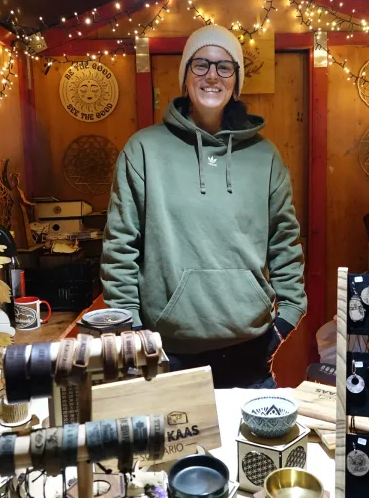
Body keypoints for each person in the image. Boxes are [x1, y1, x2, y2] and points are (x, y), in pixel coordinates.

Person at [101, 25, 307, 388]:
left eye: (224, 67)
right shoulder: (143, 151)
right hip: (168, 352)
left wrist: (288, 316)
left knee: (252, 446)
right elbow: (120, 246)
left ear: (236, 81)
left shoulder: (265, 157)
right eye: (200, 65)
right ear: (185, 76)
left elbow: (285, 242)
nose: (212, 75)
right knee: (180, 447)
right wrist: (131, 327)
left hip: (251, 350)